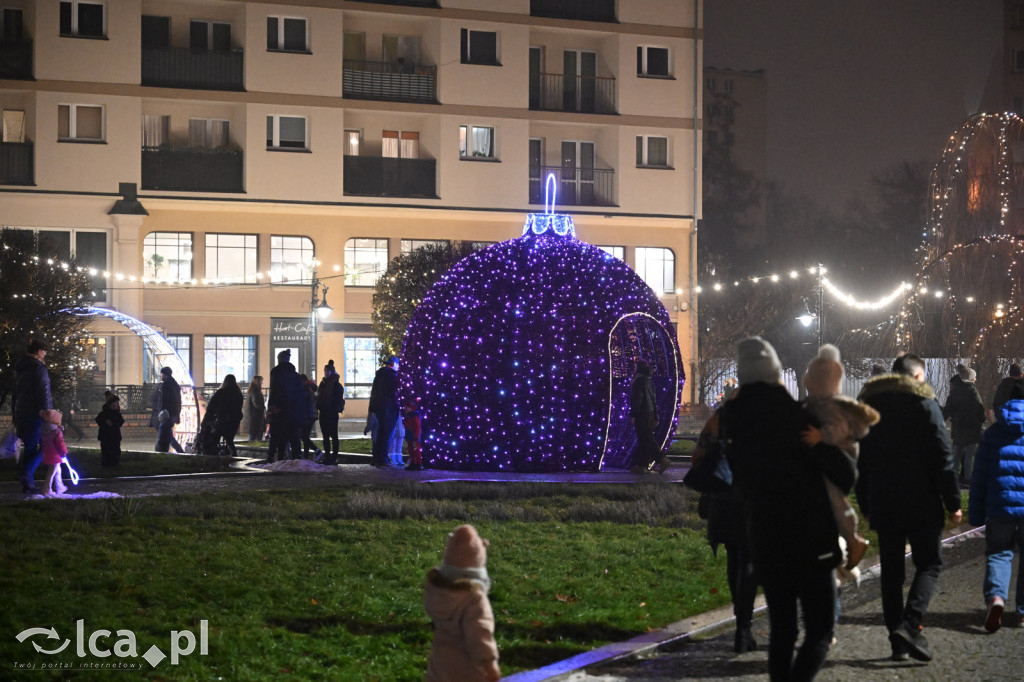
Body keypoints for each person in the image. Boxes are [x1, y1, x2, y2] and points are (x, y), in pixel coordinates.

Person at [719, 337, 855, 681]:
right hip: (812, 539)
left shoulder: (734, 423)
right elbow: (844, 475)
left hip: (765, 538)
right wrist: (824, 447)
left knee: (782, 631)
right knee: (819, 630)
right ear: (775, 373)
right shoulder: (797, 418)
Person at [856, 353, 962, 663]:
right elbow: (943, 456)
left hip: (885, 500)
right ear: (917, 376)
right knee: (929, 564)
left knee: (891, 573)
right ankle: (910, 623)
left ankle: (897, 641)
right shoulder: (925, 405)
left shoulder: (870, 408)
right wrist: (953, 502)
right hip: (922, 501)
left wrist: (865, 502)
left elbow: (862, 459)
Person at [802, 345, 879, 570]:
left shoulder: (832, 407)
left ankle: (852, 538)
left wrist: (821, 436)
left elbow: (841, 429)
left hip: (841, 457)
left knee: (833, 496)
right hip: (832, 457)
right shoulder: (818, 405)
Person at [693, 406, 758, 653]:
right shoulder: (771, 412)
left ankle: (740, 619)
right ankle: (744, 625)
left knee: (734, 555)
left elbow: (698, 456)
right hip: (754, 497)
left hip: (724, 495)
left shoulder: (722, 416)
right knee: (749, 558)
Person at [968, 382, 1024, 632]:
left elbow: (979, 476)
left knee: (999, 554)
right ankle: (1022, 613)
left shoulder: (992, 434)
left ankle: (997, 598)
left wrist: (976, 513)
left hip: (999, 505)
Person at [423, 524, 501, 682]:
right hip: (468, 667)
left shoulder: (435, 588)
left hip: (440, 661)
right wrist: (489, 664)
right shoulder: (475, 599)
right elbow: (479, 633)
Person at [12, 338, 53, 494]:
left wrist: (15, 414)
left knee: (30, 446)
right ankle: (26, 472)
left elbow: (15, 393)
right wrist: (47, 411)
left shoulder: (20, 368)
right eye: (44, 352)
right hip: (36, 413)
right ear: (40, 351)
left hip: (21, 412)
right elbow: (44, 390)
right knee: (47, 445)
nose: (45, 355)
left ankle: (27, 483)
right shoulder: (38, 368)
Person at [943, 364, 986, 487]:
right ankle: (967, 479)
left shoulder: (954, 392)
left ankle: (954, 478)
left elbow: (947, 410)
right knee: (968, 456)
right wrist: (980, 421)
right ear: (971, 378)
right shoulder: (973, 391)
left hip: (958, 428)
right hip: (971, 429)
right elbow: (980, 410)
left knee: (956, 455)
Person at [629, 361, 670, 474]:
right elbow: (653, 400)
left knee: (646, 438)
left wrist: (634, 414)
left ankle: (662, 459)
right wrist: (655, 416)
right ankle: (642, 465)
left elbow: (638, 399)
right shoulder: (649, 381)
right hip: (650, 413)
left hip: (642, 414)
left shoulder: (638, 381)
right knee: (644, 440)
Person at [267, 349, 304, 462]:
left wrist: (272, 406)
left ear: (279, 359)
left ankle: (275, 459)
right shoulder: (295, 375)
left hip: (279, 411)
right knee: (294, 438)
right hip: (293, 412)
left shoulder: (276, 372)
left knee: (277, 437)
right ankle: (296, 459)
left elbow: (274, 390)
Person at [368, 356, 400, 468]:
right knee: (386, 435)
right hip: (388, 408)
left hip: (379, 408)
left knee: (381, 433)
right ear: (394, 364)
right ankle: (382, 459)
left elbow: (374, 392)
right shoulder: (391, 376)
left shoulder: (380, 375)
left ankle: (377, 458)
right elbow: (394, 393)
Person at [204, 374, 244, 456]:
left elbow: (211, 406)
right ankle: (232, 455)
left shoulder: (221, 392)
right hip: (234, 421)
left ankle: (216, 455)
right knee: (229, 440)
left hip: (222, 420)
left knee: (215, 438)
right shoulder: (238, 394)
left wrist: (208, 419)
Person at [317, 361, 346, 465]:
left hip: (331, 413)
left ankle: (334, 457)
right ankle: (328, 456)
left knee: (333, 436)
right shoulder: (323, 384)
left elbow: (338, 399)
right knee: (325, 436)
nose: (325, 373)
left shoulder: (336, 385)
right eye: (325, 370)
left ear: (332, 372)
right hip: (323, 413)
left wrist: (332, 407)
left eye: (327, 371)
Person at [152, 367, 184, 453]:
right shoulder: (175, 384)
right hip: (173, 414)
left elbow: (164, 401)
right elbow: (178, 401)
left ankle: (162, 450)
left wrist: (161, 413)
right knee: (167, 433)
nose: (160, 375)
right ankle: (178, 451)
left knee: (164, 433)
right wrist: (177, 415)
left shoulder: (166, 385)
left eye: (161, 374)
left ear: (165, 374)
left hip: (167, 415)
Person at [40, 409, 68, 496]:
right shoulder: (56, 431)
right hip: (55, 455)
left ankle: (60, 486)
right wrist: (64, 452)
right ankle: (46, 489)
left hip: (47, 453)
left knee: (57, 470)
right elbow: (60, 443)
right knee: (51, 473)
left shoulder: (44, 430)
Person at [96, 393, 124, 468]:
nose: (117, 404)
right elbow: (99, 420)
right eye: (116, 403)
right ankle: (106, 464)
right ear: (111, 404)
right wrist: (105, 423)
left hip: (115, 436)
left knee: (116, 450)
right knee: (106, 450)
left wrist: (113, 424)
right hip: (105, 436)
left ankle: (115, 464)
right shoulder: (104, 413)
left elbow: (120, 422)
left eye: (118, 403)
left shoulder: (117, 414)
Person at [299, 374, 322, 460]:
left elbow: (303, 403)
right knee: (305, 436)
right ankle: (306, 455)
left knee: (303, 436)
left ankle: (317, 451)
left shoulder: (306, 389)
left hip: (307, 415)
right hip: (311, 415)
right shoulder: (310, 387)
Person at [244, 375, 266, 442]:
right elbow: (256, 404)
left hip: (252, 418)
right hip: (256, 418)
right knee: (256, 438)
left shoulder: (251, 391)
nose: (262, 383)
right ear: (257, 382)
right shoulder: (255, 391)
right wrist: (264, 407)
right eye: (261, 381)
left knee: (252, 437)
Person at [403, 397, 423, 471]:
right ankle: (412, 463)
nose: (405, 408)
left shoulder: (415, 416)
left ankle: (417, 464)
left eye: (407, 407)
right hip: (410, 436)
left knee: (416, 451)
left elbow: (417, 428)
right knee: (411, 450)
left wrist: (416, 438)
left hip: (414, 437)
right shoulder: (409, 416)